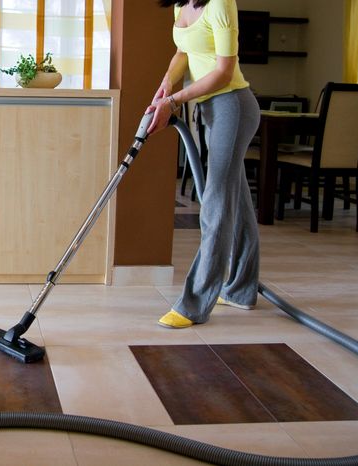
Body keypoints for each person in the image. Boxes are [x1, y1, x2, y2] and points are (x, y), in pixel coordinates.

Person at [147, 0, 261, 328]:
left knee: (215, 202)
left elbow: (224, 72)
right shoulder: (181, 6)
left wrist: (173, 101)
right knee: (233, 197)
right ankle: (241, 290)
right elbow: (183, 52)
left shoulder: (221, 4)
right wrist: (167, 84)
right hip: (210, 109)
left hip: (232, 106)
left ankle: (194, 304)